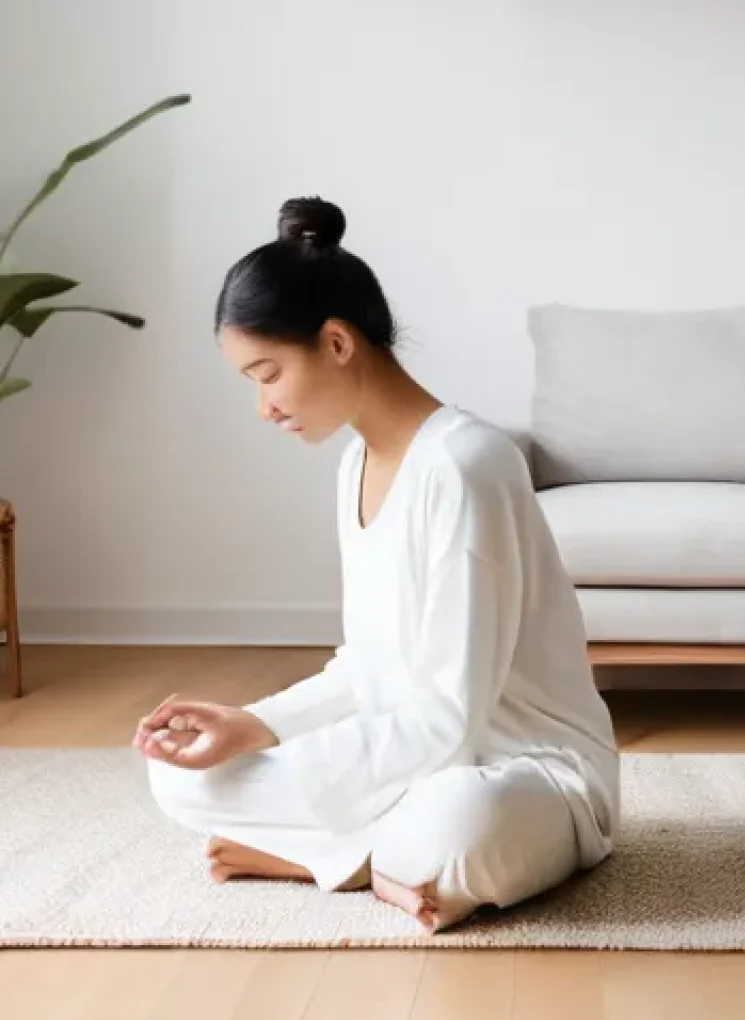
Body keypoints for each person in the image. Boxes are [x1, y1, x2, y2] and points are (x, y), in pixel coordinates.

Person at [134, 196, 620, 933]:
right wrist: (251, 725)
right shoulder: (357, 463)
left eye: (267, 374)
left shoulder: (467, 464)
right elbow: (366, 667)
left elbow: (451, 722)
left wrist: (307, 770)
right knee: (177, 772)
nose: (263, 407)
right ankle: (378, 861)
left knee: (462, 821)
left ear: (336, 343)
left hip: (526, 773)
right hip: (411, 762)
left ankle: (334, 857)